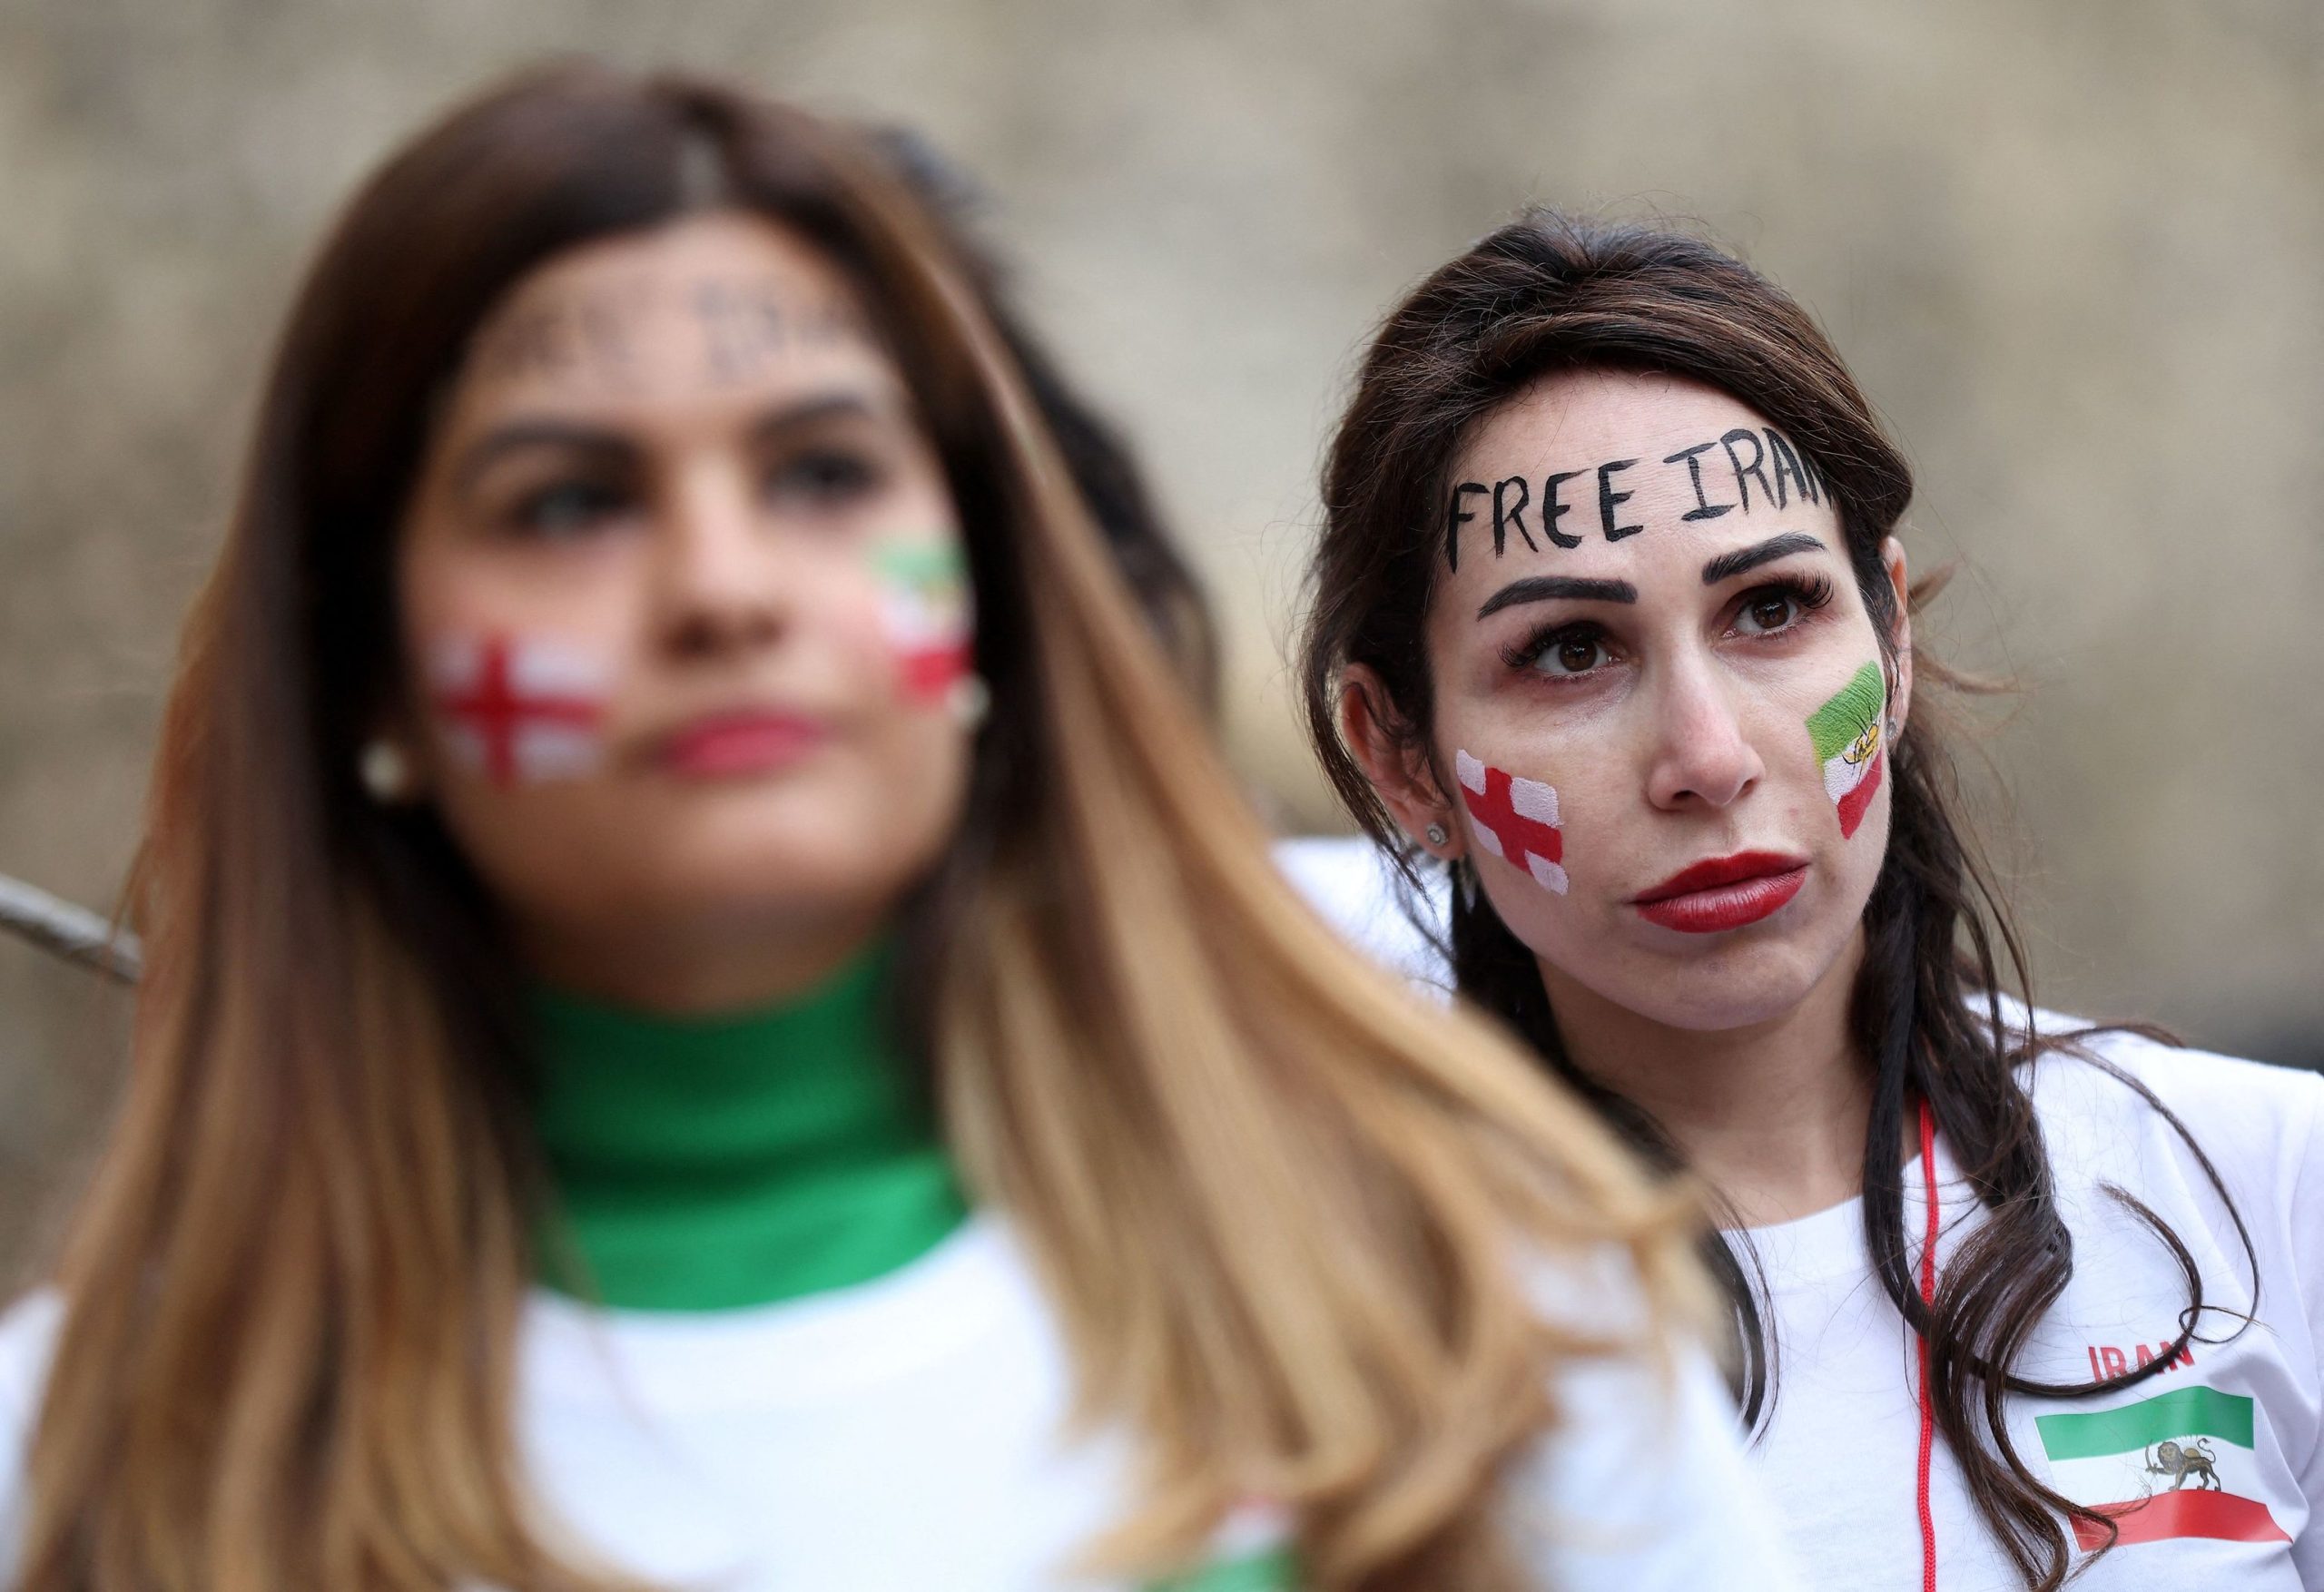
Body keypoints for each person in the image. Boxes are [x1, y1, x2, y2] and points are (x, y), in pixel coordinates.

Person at [0, 72, 1798, 1592]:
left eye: (819, 473)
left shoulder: (1476, 1310)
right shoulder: (91, 1466)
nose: (721, 587)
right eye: (567, 499)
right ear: (364, 669)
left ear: (994, 603)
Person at [1295, 210, 2324, 1590]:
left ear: (1891, 639)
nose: (1708, 757)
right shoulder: (1292, 1325)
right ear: (1398, 752)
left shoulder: (2269, 1191)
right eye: (1570, 649)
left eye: (1772, 609)